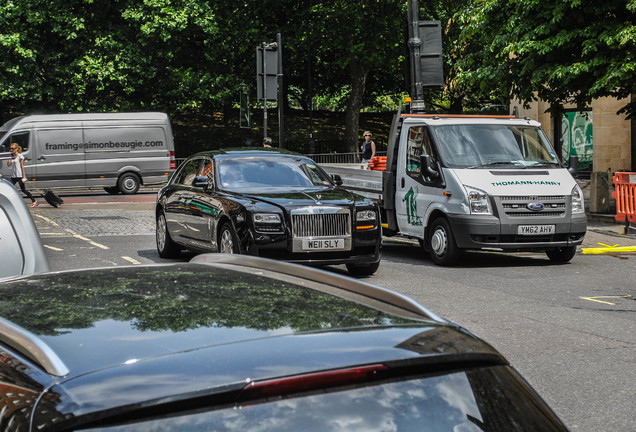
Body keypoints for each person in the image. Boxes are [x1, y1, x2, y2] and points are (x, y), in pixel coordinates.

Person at [8, 143, 38, 207]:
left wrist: (24, 176)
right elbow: (9, 164)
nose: (11, 149)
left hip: (19, 176)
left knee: (23, 190)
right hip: (13, 176)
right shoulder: (12, 156)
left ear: (16, 149)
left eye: (12, 148)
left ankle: (34, 201)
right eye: (10, 148)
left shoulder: (20, 156)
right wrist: (10, 157)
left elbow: (22, 167)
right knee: (9, 189)